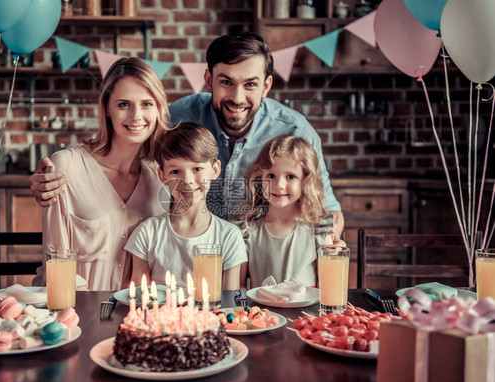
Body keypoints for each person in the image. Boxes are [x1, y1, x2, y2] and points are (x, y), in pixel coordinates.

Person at [29, 32, 345, 236]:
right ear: (208, 80)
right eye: (226, 82)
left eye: (250, 84)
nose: (237, 96)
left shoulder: (294, 131)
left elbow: (327, 211)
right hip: (186, 258)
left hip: (260, 267)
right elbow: (124, 146)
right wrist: (60, 174)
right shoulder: (179, 117)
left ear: (266, 85)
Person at [32, 57, 171, 291]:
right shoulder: (67, 167)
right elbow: (56, 266)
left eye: (147, 104)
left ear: (159, 109)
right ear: (107, 108)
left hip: (133, 317)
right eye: (124, 104)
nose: (136, 116)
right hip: (74, 313)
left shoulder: (160, 184)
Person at [126, 122, 246, 289]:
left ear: (215, 169)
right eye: (175, 171)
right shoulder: (147, 233)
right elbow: (140, 299)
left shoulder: (229, 236)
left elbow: (228, 301)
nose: (187, 180)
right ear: (162, 176)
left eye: (197, 169)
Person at [239, 135, 345, 289]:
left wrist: (337, 257)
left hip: (308, 312)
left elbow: (329, 290)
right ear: (260, 178)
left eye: (290, 176)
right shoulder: (247, 232)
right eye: (271, 175)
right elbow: (239, 288)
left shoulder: (319, 231)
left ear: (305, 182)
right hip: (262, 312)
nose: (279, 185)